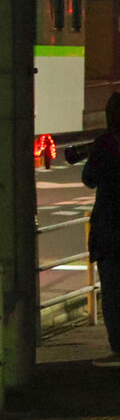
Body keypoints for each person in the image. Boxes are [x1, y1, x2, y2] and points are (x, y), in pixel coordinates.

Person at [83, 91, 120, 366]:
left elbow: (89, 178)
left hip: (110, 231)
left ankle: (118, 349)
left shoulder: (105, 144)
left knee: (113, 293)